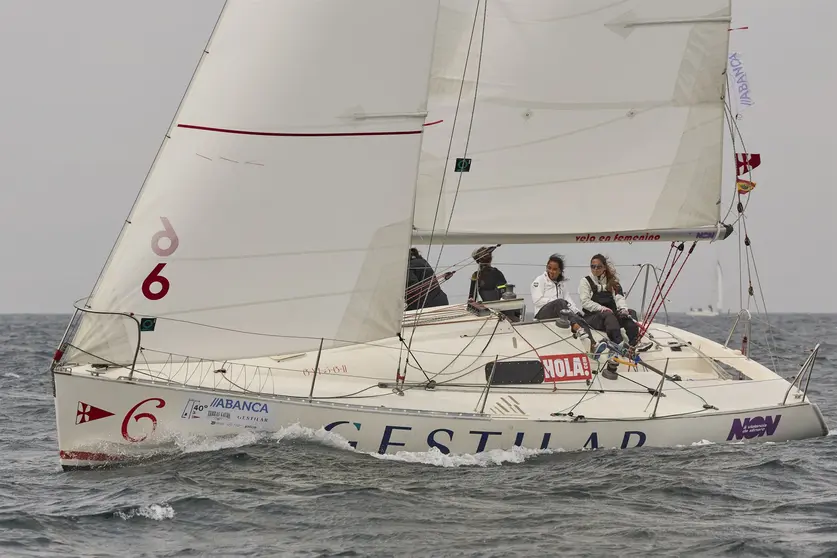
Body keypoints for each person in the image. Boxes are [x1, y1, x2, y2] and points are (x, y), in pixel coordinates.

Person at [579, 254, 650, 350]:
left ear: (604, 267)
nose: (595, 269)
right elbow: (585, 302)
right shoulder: (585, 281)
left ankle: (634, 344)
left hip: (611, 315)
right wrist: (602, 308)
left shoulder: (612, 281)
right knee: (608, 315)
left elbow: (619, 297)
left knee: (631, 312)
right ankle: (619, 344)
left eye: (599, 267)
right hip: (593, 317)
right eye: (593, 266)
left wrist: (623, 309)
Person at [530, 254, 589, 341]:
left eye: (554, 269)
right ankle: (576, 327)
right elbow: (537, 301)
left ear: (560, 271)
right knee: (560, 302)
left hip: (559, 314)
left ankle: (593, 344)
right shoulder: (539, 280)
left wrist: (577, 312)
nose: (551, 271)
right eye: (549, 268)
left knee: (578, 317)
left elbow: (568, 300)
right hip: (541, 315)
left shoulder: (562, 284)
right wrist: (554, 301)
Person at [469, 246, 520, 321]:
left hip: (486, 312)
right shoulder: (497, 273)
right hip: (501, 311)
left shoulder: (475, 275)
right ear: (491, 259)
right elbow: (505, 294)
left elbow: (471, 298)